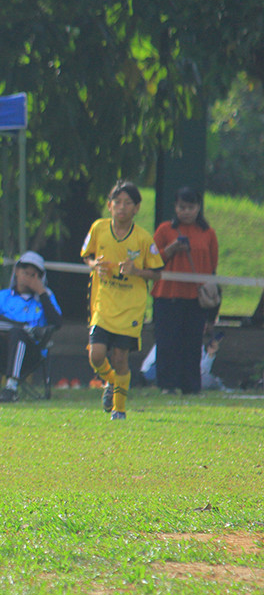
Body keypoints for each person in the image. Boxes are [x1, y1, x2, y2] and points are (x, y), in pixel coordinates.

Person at [81, 180, 164, 420]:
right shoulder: (99, 228)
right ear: (109, 205)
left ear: (137, 208)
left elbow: (157, 272)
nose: (122, 207)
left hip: (130, 308)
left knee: (120, 358)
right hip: (104, 302)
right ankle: (113, 384)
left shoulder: (143, 238)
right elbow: (87, 255)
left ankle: (119, 410)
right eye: (117, 202)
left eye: (128, 203)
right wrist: (94, 264)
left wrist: (137, 271)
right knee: (95, 355)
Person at [150, 187, 219, 394]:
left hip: (195, 298)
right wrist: (171, 249)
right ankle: (167, 385)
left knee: (192, 343)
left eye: (191, 207)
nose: (186, 211)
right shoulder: (164, 230)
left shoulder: (208, 233)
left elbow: (212, 264)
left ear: (198, 208)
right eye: (182, 207)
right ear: (175, 207)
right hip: (168, 294)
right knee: (167, 342)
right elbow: (152, 260)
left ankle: (191, 385)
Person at [0, 251, 63, 402]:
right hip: (2, 349)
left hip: (31, 352)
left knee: (17, 333)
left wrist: (41, 293)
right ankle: (24, 328)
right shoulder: (2, 297)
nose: (28, 278)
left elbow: (56, 323)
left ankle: (11, 387)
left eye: (33, 275)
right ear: (16, 272)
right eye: (25, 273)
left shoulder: (46, 297)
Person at [141, 331, 231, 392]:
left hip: (178, 374)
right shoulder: (168, 340)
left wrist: (210, 355)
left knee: (207, 379)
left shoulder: (196, 347)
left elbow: (202, 370)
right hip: (155, 372)